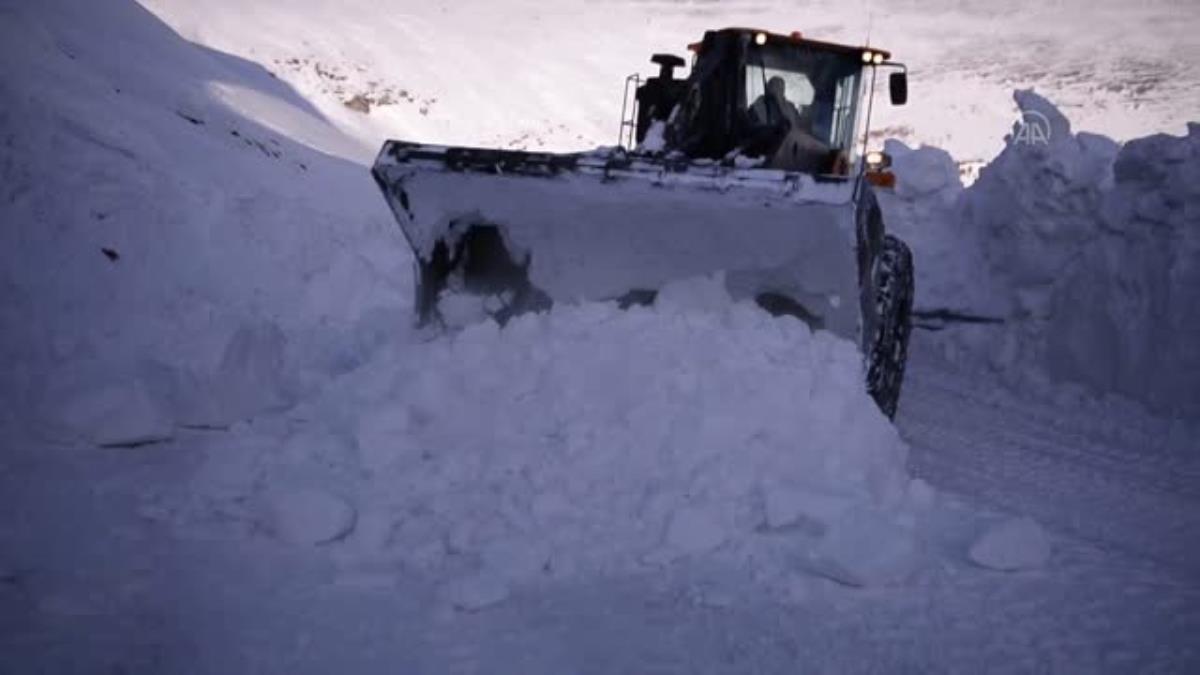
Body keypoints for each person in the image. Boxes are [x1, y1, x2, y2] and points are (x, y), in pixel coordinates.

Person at [748, 76, 835, 173]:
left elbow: (799, 127)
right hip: (765, 153)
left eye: (780, 87)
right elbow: (752, 132)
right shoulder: (756, 106)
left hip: (791, 154)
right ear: (768, 88)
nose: (777, 89)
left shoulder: (790, 107)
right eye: (774, 86)